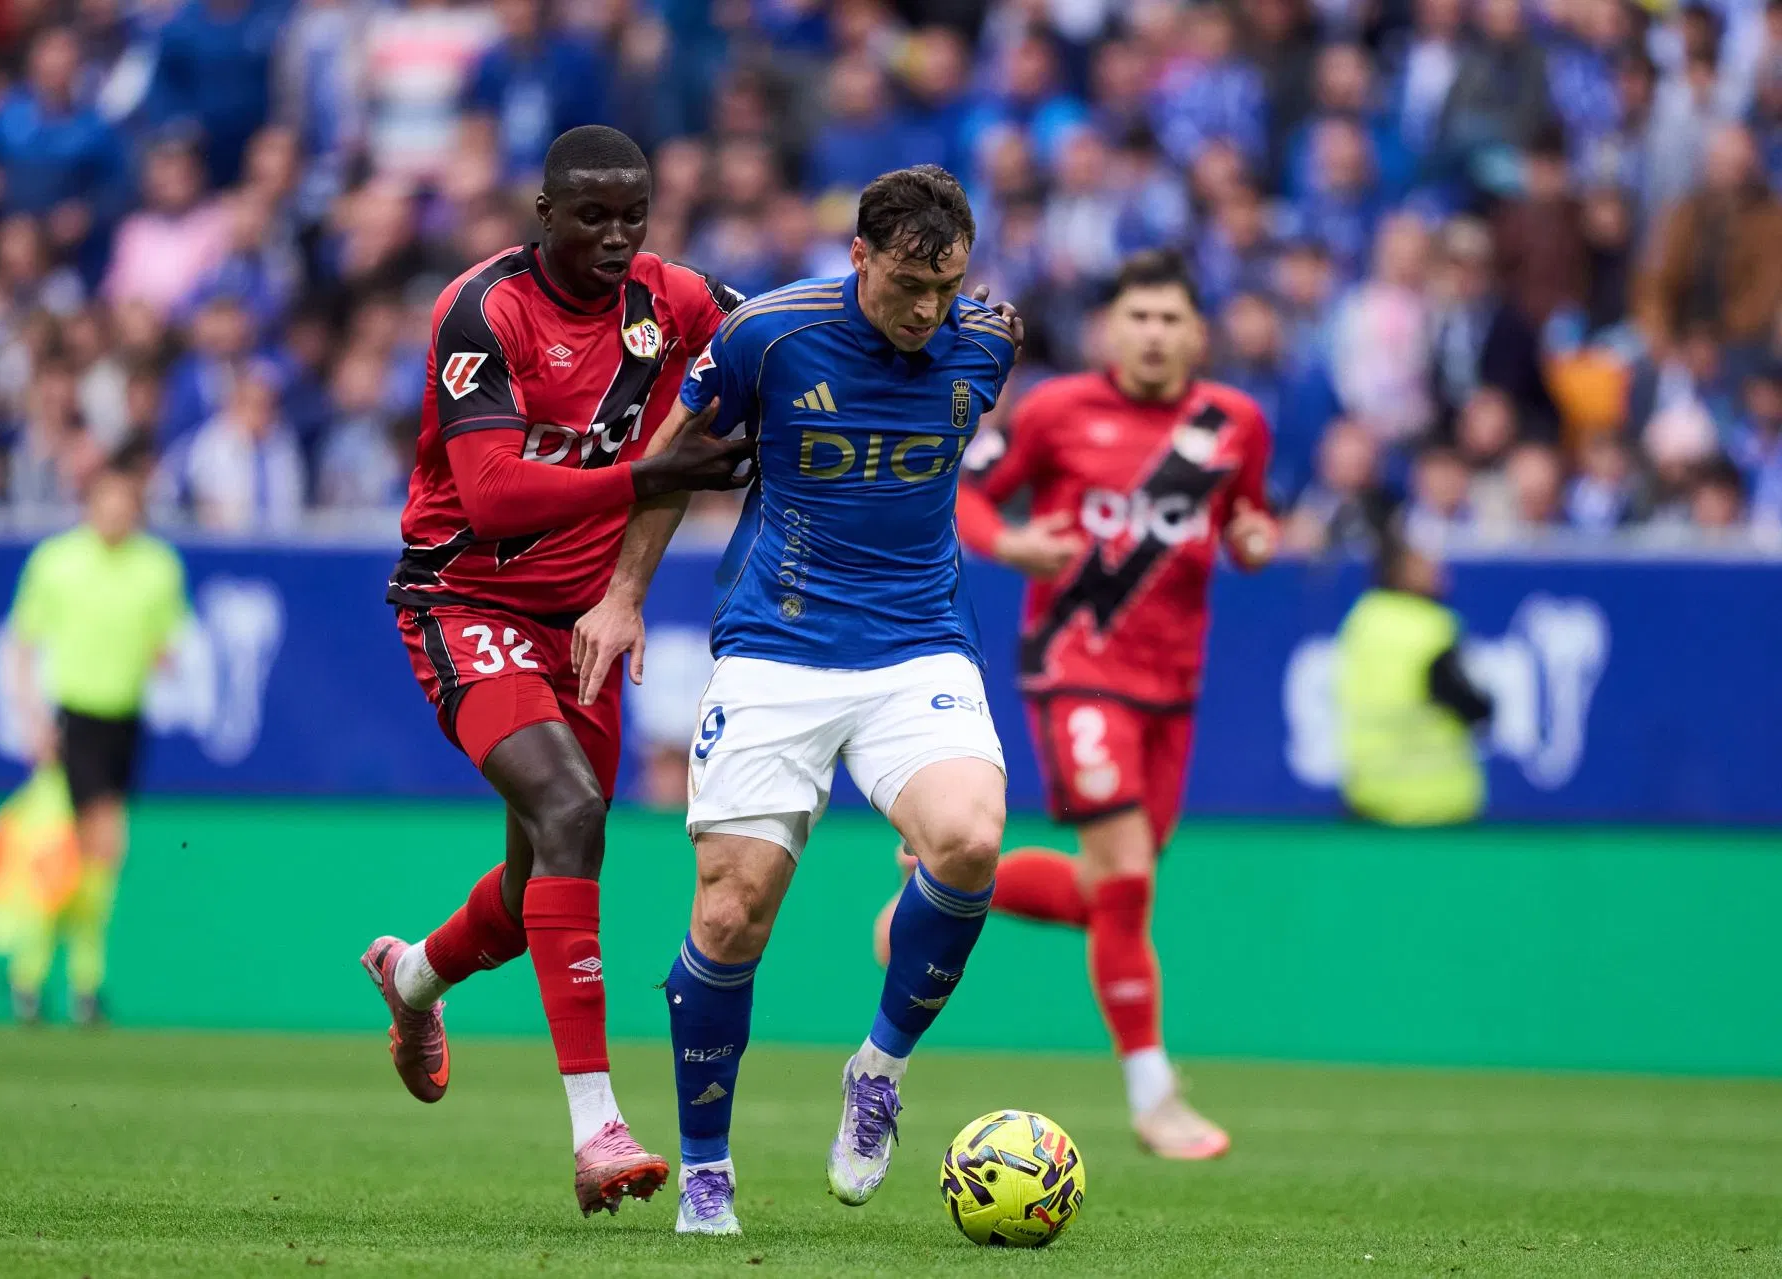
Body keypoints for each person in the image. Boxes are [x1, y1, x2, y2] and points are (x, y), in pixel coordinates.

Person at [570, 165, 1024, 1236]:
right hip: (777, 646)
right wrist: (624, 597)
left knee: (969, 840)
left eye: (946, 288)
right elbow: (673, 463)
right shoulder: (768, 336)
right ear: (858, 256)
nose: (928, 310)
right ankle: (706, 1171)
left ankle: (878, 1071)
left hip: (918, 643)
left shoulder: (990, 342)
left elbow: (971, 396)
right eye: (907, 284)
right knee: (731, 912)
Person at [357, 126, 752, 1219]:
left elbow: (779, 337)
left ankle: (412, 976)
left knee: (539, 881)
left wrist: (932, 322)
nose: (617, 238)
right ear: (545, 215)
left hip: (583, 625)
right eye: (592, 217)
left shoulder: (673, 299)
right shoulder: (483, 311)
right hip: (465, 601)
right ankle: (598, 1129)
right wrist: (649, 474)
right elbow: (489, 495)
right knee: (572, 811)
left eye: (634, 217)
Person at [879, 249, 1278, 1161]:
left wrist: (1257, 539)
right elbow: (969, 493)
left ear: (1197, 334)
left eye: (1170, 319)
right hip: (1078, 669)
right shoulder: (1057, 410)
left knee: (1108, 891)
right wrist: (1015, 544)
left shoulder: (1234, 423)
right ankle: (1154, 1096)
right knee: (1127, 878)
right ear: (1109, 329)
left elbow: (1249, 520)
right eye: (1139, 317)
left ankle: (943, 883)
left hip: (1173, 686)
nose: (1154, 334)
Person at [6, 445, 191, 1024]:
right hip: (73, 721)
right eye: (106, 501)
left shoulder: (158, 567)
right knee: (93, 846)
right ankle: (75, 981)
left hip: (125, 723)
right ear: (89, 504)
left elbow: (168, 641)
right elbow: (22, 646)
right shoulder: (57, 561)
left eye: (125, 502)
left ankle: (36, 979)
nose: (115, 512)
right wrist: (32, 720)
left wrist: (164, 659)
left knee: (89, 857)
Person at [1335, 526, 1493, 825]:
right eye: (1426, 565)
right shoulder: (1430, 628)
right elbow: (1471, 705)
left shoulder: (1362, 619)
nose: (1439, 572)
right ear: (1400, 572)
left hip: (1368, 797)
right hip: (1433, 802)